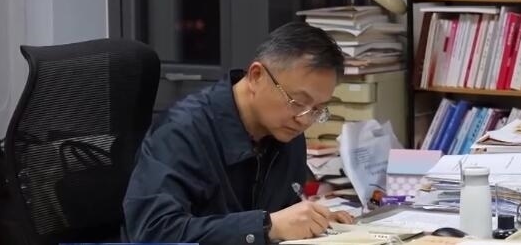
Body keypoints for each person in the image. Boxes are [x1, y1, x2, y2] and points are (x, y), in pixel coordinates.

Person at [123, 22, 355, 244]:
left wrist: (313, 221)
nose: (304, 119)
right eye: (297, 102)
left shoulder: (286, 130)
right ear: (256, 76)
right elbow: (153, 232)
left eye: (316, 109)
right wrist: (267, 227)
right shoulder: (182, 131)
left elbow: (281, 210)